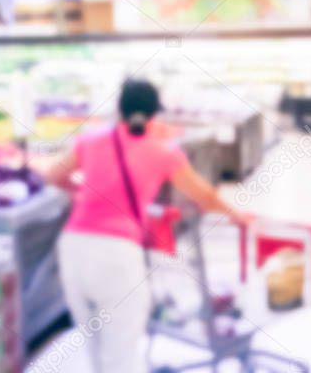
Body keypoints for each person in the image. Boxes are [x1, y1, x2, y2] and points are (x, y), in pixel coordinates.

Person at [46, 79, 250, 373]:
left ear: (119, 110)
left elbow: (54, 176)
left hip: (73, 249)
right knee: (122, 355)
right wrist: (236, 215)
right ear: (154, 115)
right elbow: (203, 195)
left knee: (95, 349)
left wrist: (83, 193)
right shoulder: (163, 152)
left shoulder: (90, 141)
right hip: (116, 258)